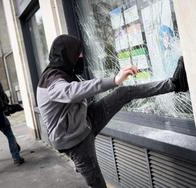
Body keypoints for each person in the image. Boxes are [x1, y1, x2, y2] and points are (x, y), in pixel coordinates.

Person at [36, 35, 188, 188]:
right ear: (67, 54)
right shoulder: (51, 81)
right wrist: (114, 80)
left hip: (85, 120)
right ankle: (82, 162)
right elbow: (70, 91)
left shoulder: (64, 72)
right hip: (74, 140)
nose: (81, 57)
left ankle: (175, 84)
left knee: (124, 93)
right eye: (78, 53)